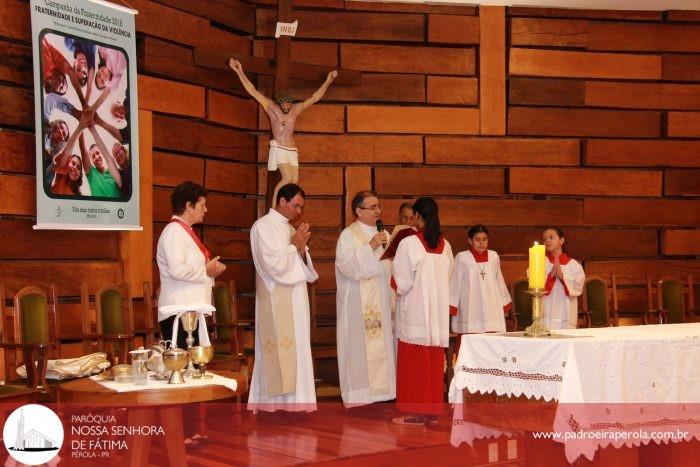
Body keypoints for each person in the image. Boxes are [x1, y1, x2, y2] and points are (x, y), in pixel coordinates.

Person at [248, 183, 319, 413]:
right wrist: (294, 247)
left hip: (296, 300)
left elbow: (304, 268)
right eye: (296, 206)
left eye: (301, 207)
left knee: (296, 350)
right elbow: (271, 266)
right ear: (282, 201)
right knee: (278, 352)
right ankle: (275, 406)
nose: (299, 211)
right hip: (276, 299)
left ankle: (296, 406)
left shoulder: (289, 229)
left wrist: (299, 250)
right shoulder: (262, 227)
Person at [229, 59, 337, 204]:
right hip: (279, 147)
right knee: (286, 178)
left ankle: (289, 205)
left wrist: (328, 81)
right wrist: (239, 71)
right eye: (284, 104)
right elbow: (253, 91)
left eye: (288, 104)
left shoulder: (295, 110)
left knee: (295, 181)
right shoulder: (272, 108)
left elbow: (314, 98)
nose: (286, 107)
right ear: (279, 103)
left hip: (292, 149)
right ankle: (274, 206)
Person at [391, 197, 454, 425]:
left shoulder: (409, 243)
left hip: (415, 313)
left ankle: (412, 414)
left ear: (418, 216)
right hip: (436, 315)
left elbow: (403, 282)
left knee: (413, 364)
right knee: (432, 365)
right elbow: (448, 277)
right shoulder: (445, 245)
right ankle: (431, 412)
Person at [335, 191, 395, 407]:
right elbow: (346, 267)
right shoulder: (348, 235)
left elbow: (390, 266)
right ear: (359, 211)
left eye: (379, 206)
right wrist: (370, 247)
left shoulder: (385, 233)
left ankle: (384, 393)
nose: (378, 210)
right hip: (357, 304)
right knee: (360, 349)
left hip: (381, 298)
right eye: (373, 207)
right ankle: (360, 396)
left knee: (384, 347)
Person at [156, 181, 226, 349]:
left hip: (189, 309)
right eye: (202, 205)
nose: (206, 209)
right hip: (179, 311)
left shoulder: (183, 232)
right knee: (181, 369)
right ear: (189, 205)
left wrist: (210, 272)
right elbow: (177, 270)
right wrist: (205, 270)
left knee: (192, 368)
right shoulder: (174, 232)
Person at [450, 225, 512, 335]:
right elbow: (455, 283)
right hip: (471, 306)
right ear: (470, 241)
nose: (481, 242)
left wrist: (505, 305)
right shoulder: (462, 257)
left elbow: (499, 280)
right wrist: (452, 306)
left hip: (491, 305)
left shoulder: (494, 256)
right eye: (477, 239)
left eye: (484, 239)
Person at [540, 227, 585, 329]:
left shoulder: (574, 265)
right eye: (545, 239)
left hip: (566, 309)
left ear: (561, 240)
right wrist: (550, 276)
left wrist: (562, 278)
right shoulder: (539, 263)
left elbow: (577, 289)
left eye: (551, 237)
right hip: (546, 308)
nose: (547, 241)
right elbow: (534, 286)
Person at [80, 126, 123, 198]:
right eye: (93, 156)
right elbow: (83, 152)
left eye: (97, 153)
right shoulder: (92, 174)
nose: (96, 157)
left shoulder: (113, 172)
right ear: (92, 161)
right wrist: (81, 125)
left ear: (101, 154)